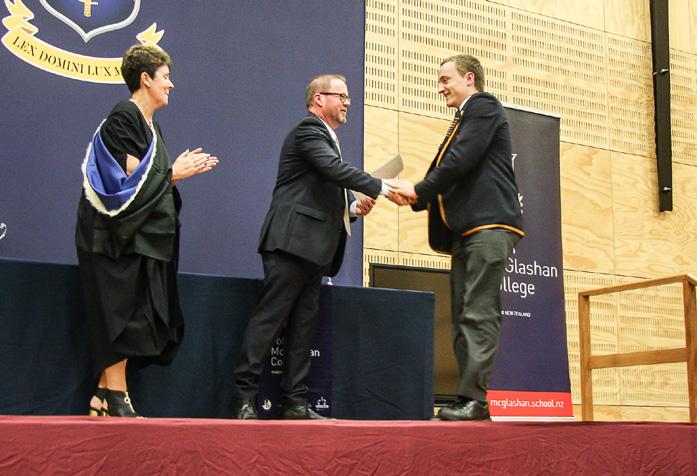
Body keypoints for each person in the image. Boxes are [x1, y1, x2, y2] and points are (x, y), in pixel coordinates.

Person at [231, 74, 390, 420]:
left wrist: (352, 208)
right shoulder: (309, 131)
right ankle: (243, 398)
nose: (347, 102)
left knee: (304, 329)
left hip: (316, 249)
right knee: (269, 321)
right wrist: (383, 187)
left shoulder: (327, 139)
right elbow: (333, 170)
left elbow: (322, 190)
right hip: (291, 244)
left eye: (348, 97)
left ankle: (296, 402)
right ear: (318, 99)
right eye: (341, 96)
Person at [75, 44, 219, 417]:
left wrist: (172, 175)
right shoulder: (124, 117)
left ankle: (102, 395)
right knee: (119, 314)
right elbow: (127, 180)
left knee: (135, 313)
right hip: (111, 237)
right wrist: (173, 173)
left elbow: (147, 179)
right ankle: (118, 396)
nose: (171, 84)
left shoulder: (152, 127)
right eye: (165, 77)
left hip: (139, 238)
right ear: (145, 79)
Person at [388, 54, 524, 421]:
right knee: (464, 314)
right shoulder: (465, 118)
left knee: (478, 311)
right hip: (467, 230)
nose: (440, 87)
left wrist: (419, 190)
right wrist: (416, 197)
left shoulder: (484, 106)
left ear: (469, 78)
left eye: (445, 79)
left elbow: (460, 160)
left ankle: (474, 400)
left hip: (488, 226)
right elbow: (454, 172)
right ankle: (471, 400)